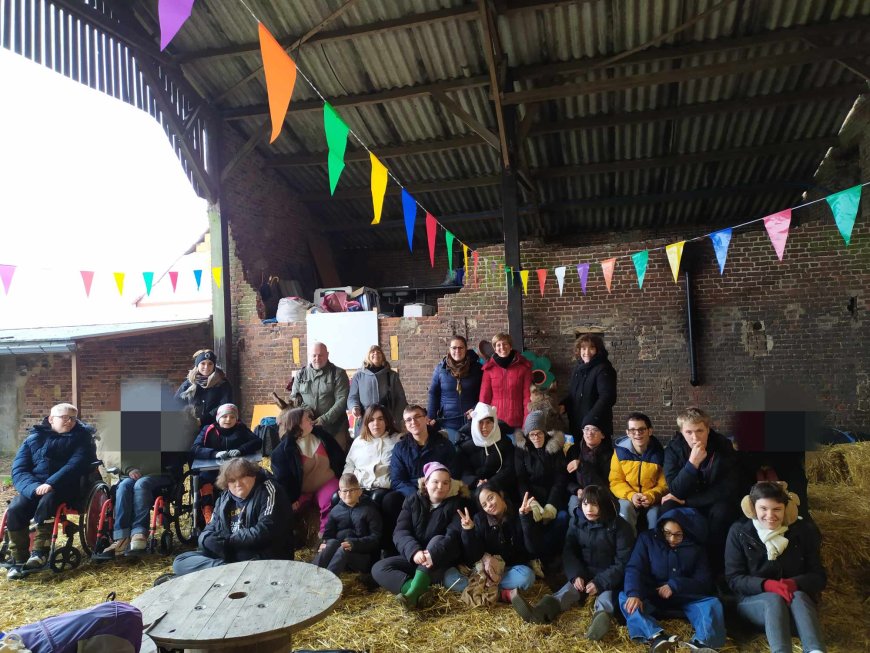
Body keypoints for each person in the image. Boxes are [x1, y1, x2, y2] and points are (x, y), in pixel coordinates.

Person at [513, 485, 634, 641]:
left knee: (606, 598)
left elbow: (623, 561)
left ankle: (599, 624)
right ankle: (539, 612)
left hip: (609, 575)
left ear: (603, 504)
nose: (588, 509)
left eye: (594, 504)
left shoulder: (620, 527)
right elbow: (569, 551)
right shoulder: (577, 521)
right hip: (584, 571)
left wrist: (600, 582)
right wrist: (576, 575)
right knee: (567, 591)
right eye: (585, 504)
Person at [725, 481, 827, 653]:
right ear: (752, 508)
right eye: (763, 508)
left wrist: (792, 584)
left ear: (786, 509)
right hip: (755, 605)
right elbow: (734, 579)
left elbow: (819, 577)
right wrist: (768, 585)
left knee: (799, 595)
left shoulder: (803, 531)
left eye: (777, 509)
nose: (770, 515)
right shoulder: (739, 532)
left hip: (795, 609)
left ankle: (815, 649)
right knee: (773, 599)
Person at [6, 404, 96, 579]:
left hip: (66, 486)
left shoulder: (83, 438)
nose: (69, 421)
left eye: (73, 418)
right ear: (51, 419)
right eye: (64, 417)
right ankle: (18, 559)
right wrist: (33, 488)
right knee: (16, 507)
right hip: (34, 486)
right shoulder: (33, 438)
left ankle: (39, 552)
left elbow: (75, 465)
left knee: (49, 499)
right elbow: (19, 469)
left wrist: (51, 483)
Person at [619, 508, 726, 653]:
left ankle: (704, 643)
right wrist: (634, 593)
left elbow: (704, 581)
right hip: (653, 595)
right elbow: (634, 568)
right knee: (625, 598)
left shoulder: (697, 547)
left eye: (678, 535)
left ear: (687, 533)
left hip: (685, 596)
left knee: (712, 603)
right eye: (667, 533)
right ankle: (656, 636)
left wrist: (675, 586)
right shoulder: (647, 539)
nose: (671, 539)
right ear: (661, 528)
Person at [171, 458, 292, 577]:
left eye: (243, 477)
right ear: (226, 483)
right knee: (180, 561)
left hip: (261, 556)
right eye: (232, 480)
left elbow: (265, 530)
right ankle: (227, 571)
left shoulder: (270, 490)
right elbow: (209, 529)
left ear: (253, 475)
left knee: (191, 569)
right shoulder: (224, 498)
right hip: (229, 556)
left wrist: (228, 541)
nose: (238, 483)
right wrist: (207, 540)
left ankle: (218, 573)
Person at [371, 462, 467, 609]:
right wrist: (414, 551)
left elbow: (452, 536)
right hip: (415, 557)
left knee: (438, 539)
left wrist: (432, 554)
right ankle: (418, 591)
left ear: (449, 486)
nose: (440, 486)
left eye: (445, 483)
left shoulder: (455, 505)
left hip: (438, 561)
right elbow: (400, 532)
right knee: (378, 568)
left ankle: (410, 596)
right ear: (426, 482)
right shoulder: (412, 501)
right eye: (435, 481)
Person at [663, 407, 739, 573]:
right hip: (685, 498)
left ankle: (718, 570)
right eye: (689, 432)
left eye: (699, 431)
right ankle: (671, 567)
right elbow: (675, 489)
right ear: (682, 432)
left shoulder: (722, 445)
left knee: (723, 511)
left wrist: (688, 501)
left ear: (708, 429)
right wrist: (692, 464)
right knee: (668, 507)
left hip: (713, 500)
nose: (695, 437)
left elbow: (729, 487)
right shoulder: (673, 449)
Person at [446, 485, 541, 604]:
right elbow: (473, 557)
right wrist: (468, 531)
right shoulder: (479, 520)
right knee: (449, 578)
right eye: (484, 505)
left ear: (500, 494)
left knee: (527, 577)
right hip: (483, 571)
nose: (489, 505)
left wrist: (525, 518)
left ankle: (480, 592)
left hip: (508, 570)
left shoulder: (520, 512)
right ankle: (501, 594)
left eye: (490, 498)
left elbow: (533, 549)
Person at [380, 405, 456, 553]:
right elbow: (397, 480)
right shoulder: (400, 448)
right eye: (408, 420)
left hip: (439, 489)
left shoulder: (443, 444)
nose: (413, 422)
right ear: (405, 425)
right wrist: (416, 496)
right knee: (389, 500)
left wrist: (435, 491)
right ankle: (392, 548)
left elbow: (454, 472)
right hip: (411, 492)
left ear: (426, 419)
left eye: (417, 417)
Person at [270, 407, 346, 534]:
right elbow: (283, 478)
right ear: (297, 424)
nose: (312, 420)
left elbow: (338, 456)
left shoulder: (323, 436)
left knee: (331, 500)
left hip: (326, 481)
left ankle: (325, 536)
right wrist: (291, 498)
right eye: (307, 419)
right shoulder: (281, 452)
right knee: (283, 511)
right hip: (301, 491)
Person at [514, 411, 568, 559]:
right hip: (531, 498)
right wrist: (532, 502)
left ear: (545, 432)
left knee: (562, 518)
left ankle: (553, 555)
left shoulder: (555, 447)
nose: (536, 438)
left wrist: (552, 504)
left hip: (553, 496)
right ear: (527, 436)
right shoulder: (521, 450)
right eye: (532, 434)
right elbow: (521, 480)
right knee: (529, 522)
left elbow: (560, 478)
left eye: (539, 433)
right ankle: (538, 557)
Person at [313, 473, 383, 582]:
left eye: (352, 490)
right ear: (340, 494)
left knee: (343, 549)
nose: (348, 494)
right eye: (345, 491)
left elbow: (376, 538)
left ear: (359, 491)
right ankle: (310, 575)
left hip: (361, 558)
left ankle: (327, 583)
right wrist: (323, 543)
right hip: (338, 558)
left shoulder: (370, 510)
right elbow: (328, 535)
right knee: (330, 544)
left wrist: (355, 544)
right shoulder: (335, 511)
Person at [610, 412, 667, 534]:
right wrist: (631, 495)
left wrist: (651, 496)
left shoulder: (661, 454)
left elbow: (664, 484)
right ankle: (629, 544)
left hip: (651, 499)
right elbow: (616, 481)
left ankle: (653, 545)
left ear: (649, 431)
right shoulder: (619, 453)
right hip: (628, 497)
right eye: (632, 430)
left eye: (641, 429)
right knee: (625, 508)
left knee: (655, 514)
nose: (637, 434)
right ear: (627, 433)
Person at [291, 342, 350, 449]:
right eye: (314, 355)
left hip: (335, 427)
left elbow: (342, 401)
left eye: (320, 355)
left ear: (327, 355)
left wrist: (324, 419)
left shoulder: (338, 374)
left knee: (338, 459)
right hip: (308, 426)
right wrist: (308, 412)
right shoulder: (300, 374)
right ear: (309, 355)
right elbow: (295, 398)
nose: (317, 358)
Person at [427, 335, 484, 442]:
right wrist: (431, 416)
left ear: (466, 349)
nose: (457, 350)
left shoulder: (477, 369)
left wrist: (476, 408)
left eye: (460, 347)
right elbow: (433, 393)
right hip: (447, 421)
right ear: (449, 349)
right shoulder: (440, 369)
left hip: (471, 420)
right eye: (454, 348)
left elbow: (484, 393)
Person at [561, 333, 617, 438]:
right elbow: (573, 395)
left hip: (595, 428)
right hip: (577, 425)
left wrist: (589, 420)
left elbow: (607, 397)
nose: (586, 352)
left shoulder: (603, 368)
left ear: (598, 350)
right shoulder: (578, 369)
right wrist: (562, 406)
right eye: (583, 348)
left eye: (591, 348)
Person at [342, 404, 400, 503]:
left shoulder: (397, 440)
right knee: (335, 497)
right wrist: (346, 485)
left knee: (376, 498)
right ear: (367, 423)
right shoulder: (359, 441)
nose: (376, 423)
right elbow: (350, 465)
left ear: (386, 421)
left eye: (380, 419)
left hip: (382, 487)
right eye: (371, 420)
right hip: (358, 486)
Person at [453, 402, 515, 493]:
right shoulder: (464, 445)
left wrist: (490, 483)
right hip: (474, 489)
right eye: (480, 422)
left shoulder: (505, 442)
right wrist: (477, 482)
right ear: (474, 423)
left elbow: (509, 469)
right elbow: (464, 472)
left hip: (500, 487)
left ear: (494, 422)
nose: (484, 427)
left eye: (488, 422)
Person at [348, 345, 406, 439]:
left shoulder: (392, 375)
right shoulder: (358, 376)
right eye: (373, 352)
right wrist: (354, 407)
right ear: (368, 356)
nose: (376, 354)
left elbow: (401, 399)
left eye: (379, 352)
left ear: (383, 356)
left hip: (388, 422)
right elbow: (352, 397)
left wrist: (396, 418)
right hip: (365, 421)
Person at [479, 333, 532, 430]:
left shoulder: (524, 367)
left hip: (518, 422)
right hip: (495, 423)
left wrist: (527, 423)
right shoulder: (489, 369)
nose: (502, 347)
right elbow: (484, 399)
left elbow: (527, 398)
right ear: (495, 348)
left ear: (510, 346)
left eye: (505, 344)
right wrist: (484, 424)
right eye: (498, 345)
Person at [566, 414, 615, 515]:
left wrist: (582, 466)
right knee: (574, 504)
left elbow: (604, 483)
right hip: (579, 493)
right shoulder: (574, 451)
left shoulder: (611, 454)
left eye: (595, 430)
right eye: (586, 429)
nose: (590, 433)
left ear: (603, 435)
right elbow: (566, 478)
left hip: (601, 494)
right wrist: (577, 490)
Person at [174, 349, 232, 427]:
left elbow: (225, 405)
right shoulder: (189, 383)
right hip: (192, 426)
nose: (206, 367)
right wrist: (188, 419)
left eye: (210, 364)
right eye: (203, 363)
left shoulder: (223, 383)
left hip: (215, 426)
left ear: (214, 365)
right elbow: (177, 402)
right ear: (198, 365)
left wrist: (203, 420)